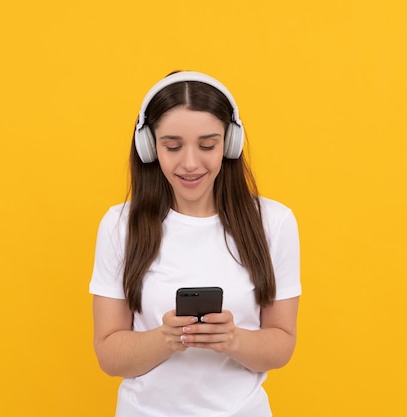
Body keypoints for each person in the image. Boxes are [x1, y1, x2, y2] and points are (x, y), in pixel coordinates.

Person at [90, 71, 301, 417]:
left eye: (207, 145)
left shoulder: (273, 223)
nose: (190, 163)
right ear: (149, 147)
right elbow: (109, 356)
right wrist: (167, 338)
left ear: (230, 143)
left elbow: (281, 344)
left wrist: (233, 339)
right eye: (172, 147)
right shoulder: (120, 225)